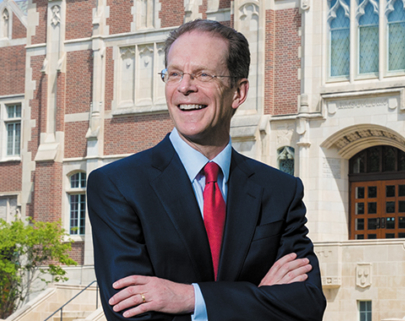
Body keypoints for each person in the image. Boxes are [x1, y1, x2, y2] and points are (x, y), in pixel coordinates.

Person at [87, 19, 326, 321]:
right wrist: (258, 297)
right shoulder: (117, 186)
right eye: (174, 74)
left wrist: (187, 297)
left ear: (238, 93)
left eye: (203, 74)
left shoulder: (280, 192)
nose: (185, 87)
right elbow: (132, 316)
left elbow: (306, 306)